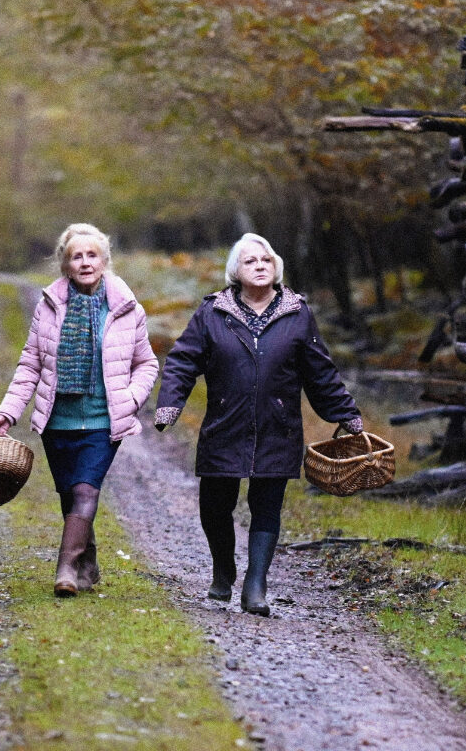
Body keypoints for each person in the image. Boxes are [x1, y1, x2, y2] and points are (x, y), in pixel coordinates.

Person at [154, 232, 362, 616]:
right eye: (250, 261)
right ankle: (223, 568)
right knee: (215, 505)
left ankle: (256, 585)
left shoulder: (297, 313)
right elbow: (183, 360)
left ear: (276, 266)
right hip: (224, 422)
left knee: (267, 506)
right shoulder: (213, 312)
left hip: (278, 425)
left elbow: (320, 371)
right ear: (236, 270)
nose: (260, 265)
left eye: (266, 259)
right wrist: (170, 404)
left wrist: (346, 414)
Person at [0, 223, 159, 597]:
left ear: (104, 261)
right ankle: (87, 562)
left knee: (85, 490)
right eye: (76, 256)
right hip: (58, 421)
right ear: (65, 265)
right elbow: (30, 364)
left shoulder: (127, 308)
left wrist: (130, 399)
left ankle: (65, 569)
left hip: (103, 420)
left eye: (92, 255)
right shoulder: (48, 307)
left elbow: (146, 363)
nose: (85, 262)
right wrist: (8, 413)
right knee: (69, 494)